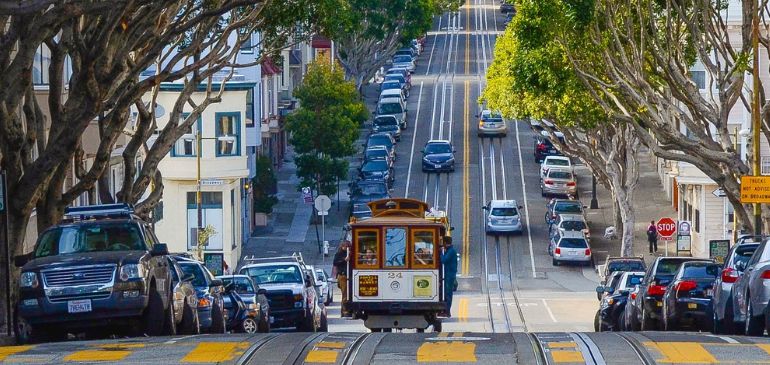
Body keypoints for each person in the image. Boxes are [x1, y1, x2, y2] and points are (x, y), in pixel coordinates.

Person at [440, 236, 458, 318]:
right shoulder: (450, 250)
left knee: (448, 293)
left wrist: (441, 253)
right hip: (448, 274)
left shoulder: (451, 251)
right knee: (446, 293)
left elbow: (444, 260)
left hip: (449, 275)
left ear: (445, 243)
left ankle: (447, 311)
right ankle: (445, 310)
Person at [333, 241, 351, 316]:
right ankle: (344, 311)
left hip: (349, 275)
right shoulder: (339, 254)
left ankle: (348, 309)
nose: (347, 248)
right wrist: (344, 260)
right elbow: (335, 263)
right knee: (345, 294)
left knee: (349, 294)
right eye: (346, 246)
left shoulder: (350, 254)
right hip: (343, 276)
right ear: (342, 246)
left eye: (349, 246)